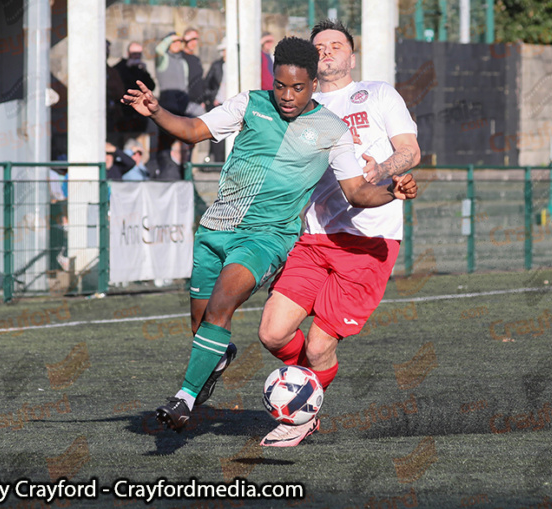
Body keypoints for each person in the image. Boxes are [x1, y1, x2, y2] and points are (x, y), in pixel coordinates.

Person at [122, 37, 418, 435]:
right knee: (203, 323)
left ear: (313, 84)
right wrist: (156, 111)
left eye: (298, 87)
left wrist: (390, 192)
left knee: (223, 304)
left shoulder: (333, 129)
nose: (287, 96)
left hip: (267, 237)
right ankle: (218, 356)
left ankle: (184, 400)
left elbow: (355, 192)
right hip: (216, 229)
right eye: (280, 86)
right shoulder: (250, 104)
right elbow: (193, 130)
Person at [256, 19, 421, 447]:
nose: (327, 51)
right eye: (320, 47)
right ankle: (302, 388)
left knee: (317, 346)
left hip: (369, 242)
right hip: (311, 239)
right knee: (272, 333)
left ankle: (301, 411)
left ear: (352, 54)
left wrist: (382, 172)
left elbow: (410, 150)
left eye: (336, 45)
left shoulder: (379, 93)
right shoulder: (294, 106)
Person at [153, 32, 191, 178]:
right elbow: (158, 51)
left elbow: (185, 84)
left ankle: (183, 172)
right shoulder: (163, 59)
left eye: (178, 42)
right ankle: (164, 173)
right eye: (174, 42)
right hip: (166, 109)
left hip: (181, 109)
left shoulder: (182, 62)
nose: (177, 44)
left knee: (183, 143)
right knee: (165, 143)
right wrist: (170, 38)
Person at [113, 42, 156, 138]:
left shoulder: (140, 68)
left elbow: (151, 86)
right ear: (128, 54)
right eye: (134, 53)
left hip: (139, 112)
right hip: (124, 110)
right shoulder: (121, 66)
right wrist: (128, 67)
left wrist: (145, 71)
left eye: (139, 54)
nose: (137, 56)